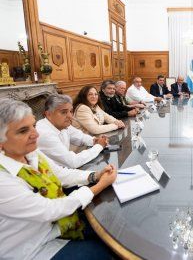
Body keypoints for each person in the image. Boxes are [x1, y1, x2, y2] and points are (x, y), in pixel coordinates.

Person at [0, 99, 117, 259]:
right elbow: (50, 210)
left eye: (34, 126)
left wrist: (95, 175)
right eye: (23, 131)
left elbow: (61, 174)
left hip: (56, 227)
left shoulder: (30, 153)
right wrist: (99, 186)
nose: (35, 134)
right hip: (32, 248)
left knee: (111, 224)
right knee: (102, 251)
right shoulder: (3, 179)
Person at [37, 94, 108, 169]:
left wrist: (94, 140)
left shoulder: (61, 124)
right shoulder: (44, 133)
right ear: (48, 114)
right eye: (64, 112)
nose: (70, 116)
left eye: (71, 111)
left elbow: (81, 137)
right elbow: (73, 162)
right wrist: (99, 146)